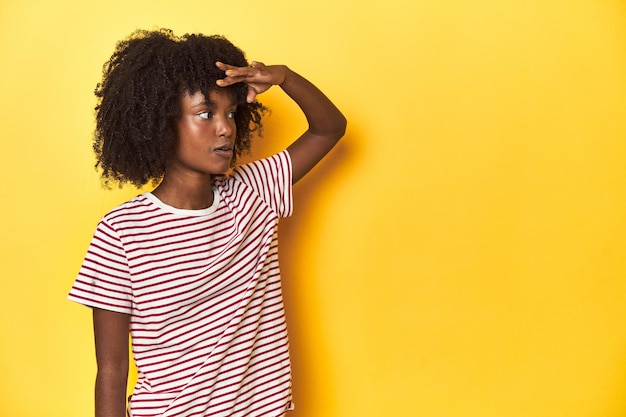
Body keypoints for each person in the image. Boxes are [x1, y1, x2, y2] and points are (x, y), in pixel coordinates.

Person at [68, 28, 346, 417]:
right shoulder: (122, 231)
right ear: (161, 124)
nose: (225, 127)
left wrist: (284, 77)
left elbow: (329, 128)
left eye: (230, 113)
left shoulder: (255, 193)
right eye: (205, 113)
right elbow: (111, 371)